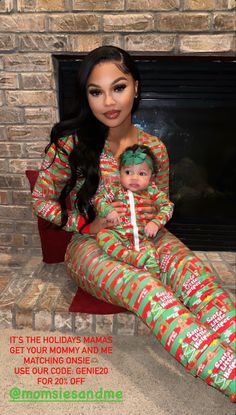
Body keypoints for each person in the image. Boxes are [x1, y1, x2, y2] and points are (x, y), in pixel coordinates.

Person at [31, 45, 236, 401]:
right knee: (148, 289)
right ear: (86, 96)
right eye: (96, 92)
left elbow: (160, 203)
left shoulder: (154, 147)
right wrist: (83, 224)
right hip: (93, 248)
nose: (108, 101)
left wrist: (157, 224)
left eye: (119, 87)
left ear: (136, 87)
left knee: (199, 279)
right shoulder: (69, 145)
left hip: (149, 237)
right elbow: (41, 201)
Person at [95, 144, 174, 274]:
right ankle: (128, 257)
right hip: (118, 235)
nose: (134, 178)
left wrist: (156, 222)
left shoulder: (152, 191)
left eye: (142, 173)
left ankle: (154, 279)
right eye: (128, 172)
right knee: (103, 236)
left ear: (151, 177)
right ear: (119, 172)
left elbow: (168, 206)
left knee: (152, 256)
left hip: (143, 238)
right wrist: (108, 210)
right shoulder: (114, 189)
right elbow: (99, 199)